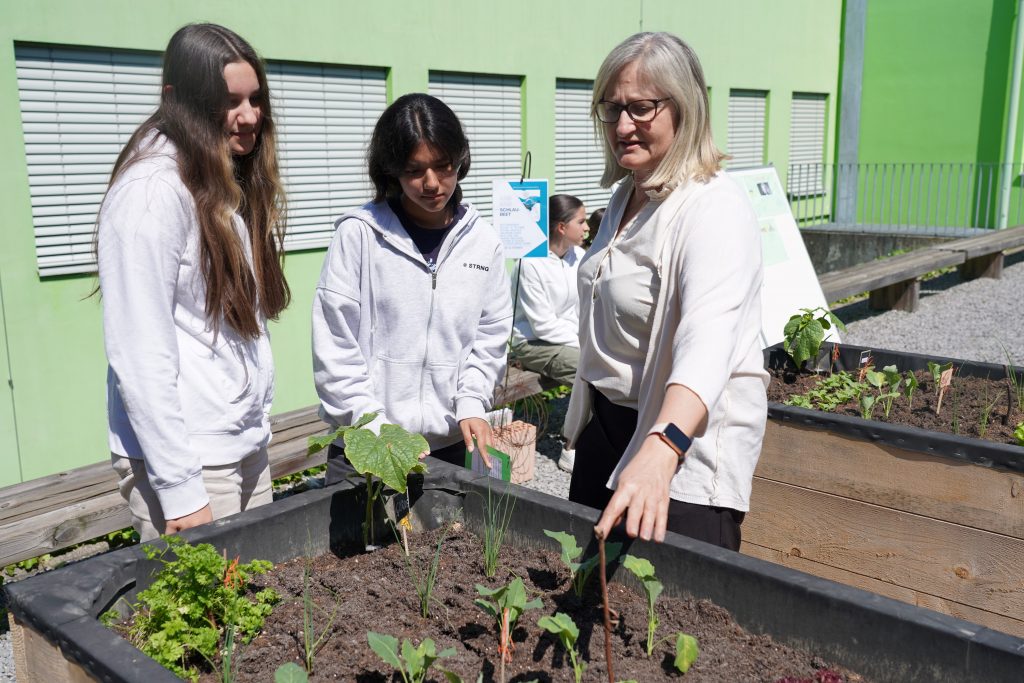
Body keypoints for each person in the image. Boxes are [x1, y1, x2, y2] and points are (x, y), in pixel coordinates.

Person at [563, 32, 768, 550]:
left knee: (669, 599)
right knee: (586, 585)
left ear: (685, 107)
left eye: (641, 108)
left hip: (681, 446)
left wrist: (662, 445)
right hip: (608, 430)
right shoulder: (626, 195)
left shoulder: (714, 208)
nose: (622, 126)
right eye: (612, 109)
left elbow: (708, 341)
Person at [98, 24, 290, 541]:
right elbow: (139, 354)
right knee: (207, 596)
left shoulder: (221, 177)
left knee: (258, 589)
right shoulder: (150, 192)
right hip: (190, 462)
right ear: (177, 100)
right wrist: (181, 490)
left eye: (254, 99)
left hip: (239, 443)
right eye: (229, 102)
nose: (249, 116)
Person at [313, 93, 512, 484]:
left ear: (461, 159)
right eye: (414, 170)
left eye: (444, 166)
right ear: (392, 170)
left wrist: (472, 400)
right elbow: (335, 344)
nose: (432, 183)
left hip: (453, 442)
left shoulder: (484, 242)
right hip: (368, 444)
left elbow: (490, 337)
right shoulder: (360, 236)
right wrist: (372, 425)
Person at [510, 193, 588, 472]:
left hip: (569, 339)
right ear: (562, 227)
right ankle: (571, 446)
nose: (587, 227)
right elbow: (542, 325)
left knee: (603, 363)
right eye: (581, 221)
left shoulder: (579, 257)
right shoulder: (530, 263)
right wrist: (584, 344)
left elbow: (583, 309)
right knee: (587, 369)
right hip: (532, 342)